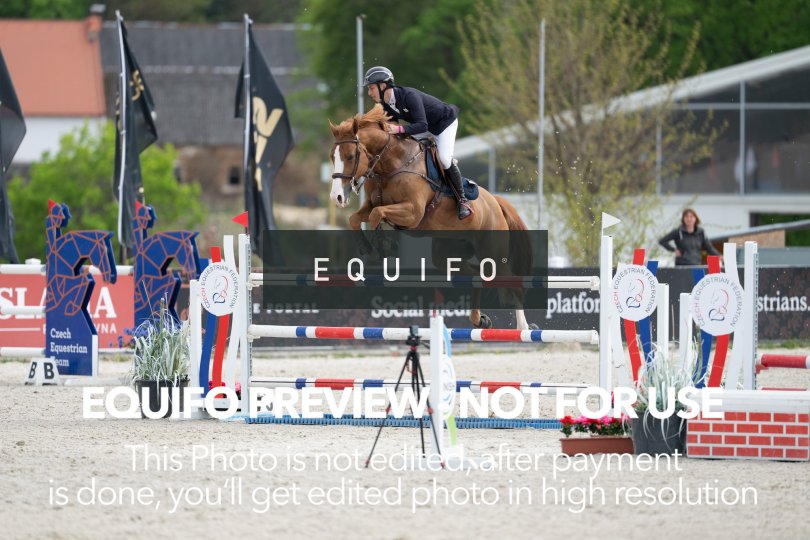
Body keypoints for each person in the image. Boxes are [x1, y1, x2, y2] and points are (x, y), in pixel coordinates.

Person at [363, 66, 472, 220]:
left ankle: (463, 200)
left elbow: (422, 125)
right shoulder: (385, 104)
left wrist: (399, 129)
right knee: (402, 144)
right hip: (425, 127)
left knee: (444, 159)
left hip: (444, 124)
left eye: (371, 88)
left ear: (383, 85)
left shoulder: (409, 96)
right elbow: (395, 126)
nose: (369, 93)